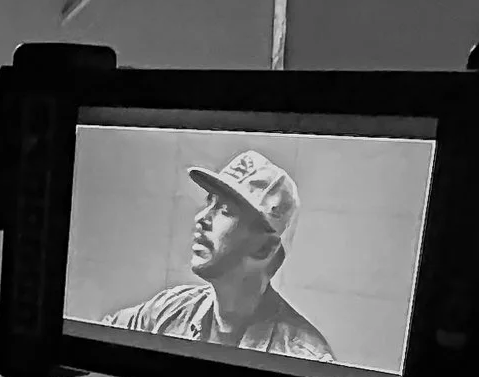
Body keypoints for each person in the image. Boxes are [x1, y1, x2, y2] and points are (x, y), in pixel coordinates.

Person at [99, 150, 336, 359]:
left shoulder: (302, 357)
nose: (201, 218)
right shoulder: (170, 309)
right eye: (209, 202)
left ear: (264, 248)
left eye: (225, 210)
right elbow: (97, 338)